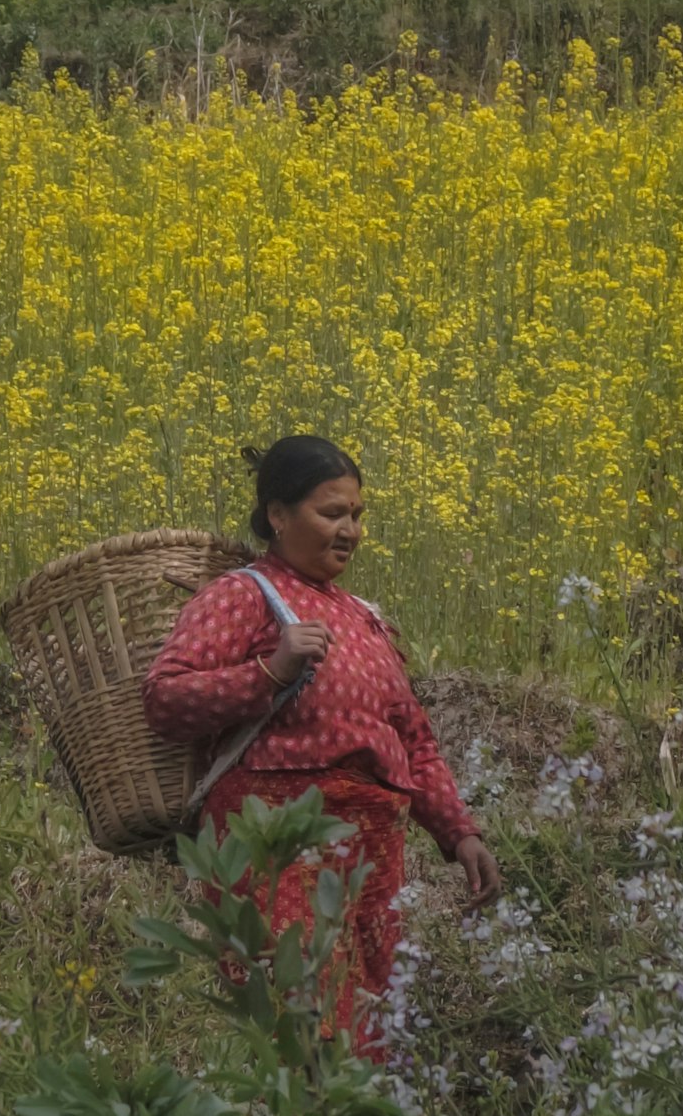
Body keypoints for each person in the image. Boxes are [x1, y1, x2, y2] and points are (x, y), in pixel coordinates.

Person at [143, 433, 501, 1051]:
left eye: (357, 515)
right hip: (276, 839)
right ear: (278, 516)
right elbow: (165, 698)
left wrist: (458, 832)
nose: (350, 530)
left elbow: (411, 736)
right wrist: (269, 672)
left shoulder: (365, 618)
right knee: (300, 1020)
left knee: (372, 1024)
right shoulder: (244, 595)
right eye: (331, 512)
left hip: (373, 850)